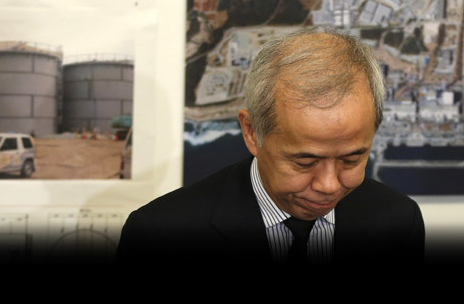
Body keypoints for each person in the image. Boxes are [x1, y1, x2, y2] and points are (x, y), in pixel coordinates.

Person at [116, 27, 425, 266]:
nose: (329, 185)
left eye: (351, 159)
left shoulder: (398, 221)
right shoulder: (160, 236)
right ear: (251, 132)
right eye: (305, 162)